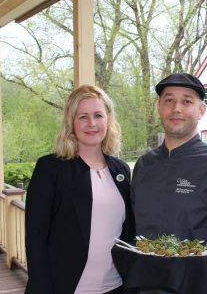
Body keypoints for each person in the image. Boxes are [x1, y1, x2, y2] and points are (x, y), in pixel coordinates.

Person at [131, 73, 207, 293]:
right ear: (159, 107)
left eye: (187, 101)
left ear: (201, 110)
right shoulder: (143, 165)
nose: (176, 108)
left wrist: (194, 271)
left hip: (200, 287)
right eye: (169, 100)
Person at [25, 84, 134, 294]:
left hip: (116, 287)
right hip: (66, 287)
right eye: (83, 116)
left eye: (98, 115)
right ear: (71, 122)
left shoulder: (120, 170)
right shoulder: (51, 169)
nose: (92, 123)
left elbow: (127, 232)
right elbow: (35, 239)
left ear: (108, 119)